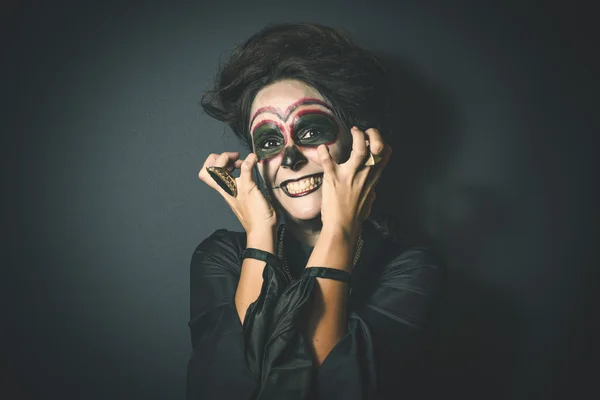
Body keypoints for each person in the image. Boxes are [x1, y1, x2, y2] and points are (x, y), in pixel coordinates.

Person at [187, 22, 445, 400]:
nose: (289, 158)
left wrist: (340, 227)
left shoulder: (410, 269)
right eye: (270, 140)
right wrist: (259, 232)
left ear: (358, 140)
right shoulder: (221, 258)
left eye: (310, 132)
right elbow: (222, 389)